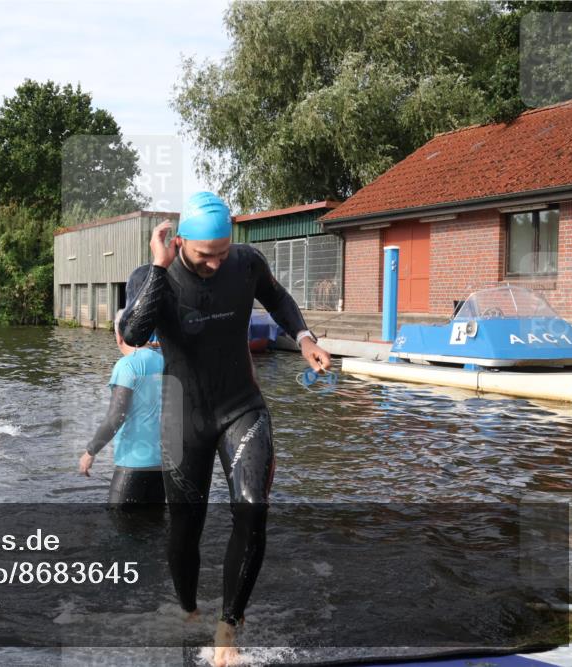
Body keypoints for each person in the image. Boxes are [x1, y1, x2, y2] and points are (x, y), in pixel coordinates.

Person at [119, 191, 331, 666]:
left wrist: (303, 338)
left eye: (222, 252)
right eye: (204, 255)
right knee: (185, 529)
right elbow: (133, 333)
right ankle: (190, 610)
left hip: (241, 407)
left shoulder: (246, 262)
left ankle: (227, 626)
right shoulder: (152, 276)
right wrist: (158, 266)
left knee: (253, 509)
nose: (216, 264)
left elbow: (277, 297)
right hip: (184, 417)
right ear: (179, 241)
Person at [79, 309, 165, 510]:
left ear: (119, 335)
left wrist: (90, 451)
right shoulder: (164, 360)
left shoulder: (127, 366)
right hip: (164, 465)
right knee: (153, 528)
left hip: (134, 463)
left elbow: (117, 415)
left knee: (120, 527)